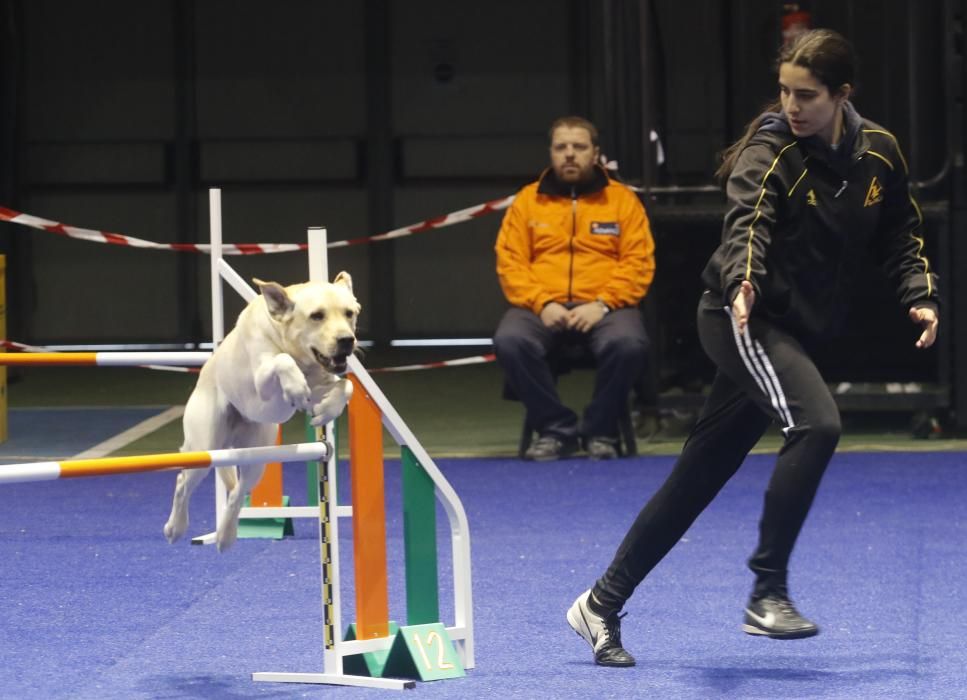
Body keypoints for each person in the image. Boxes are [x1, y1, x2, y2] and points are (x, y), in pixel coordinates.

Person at [566, 28, 940, 666]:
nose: (791, 106)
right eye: (785, 92)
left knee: (700, 474)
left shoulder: (878, 152)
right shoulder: (769, 150)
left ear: (842, 96)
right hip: (737, 316)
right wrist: (743, 281)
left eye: (807, 95)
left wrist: (920, 291)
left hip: (790, 327)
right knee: (817, 423)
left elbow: (901, 229)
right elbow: (748, 225)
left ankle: (600, 602)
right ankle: (767, 591)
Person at [493, 116, 656, 461]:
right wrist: (542, 304)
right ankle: (556, 429)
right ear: (551, 153)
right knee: (510, 340)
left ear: (595, 153)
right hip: (541, 307)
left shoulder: (623, 201)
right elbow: (510, 262)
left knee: (628, 343)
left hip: (605, 307)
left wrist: (603, 304)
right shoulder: (527, 201)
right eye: (561, 147)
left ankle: (600, 430)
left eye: (579, 147)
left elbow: (638, 262)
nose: (569, 155)